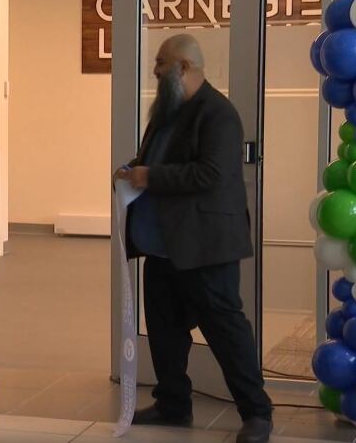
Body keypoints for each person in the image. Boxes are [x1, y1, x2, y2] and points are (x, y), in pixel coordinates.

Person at [114, 34, 273, 443]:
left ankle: (257, 413)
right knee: (166, 331)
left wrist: (151, 176)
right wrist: (134, 169)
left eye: (160, 63)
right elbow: (156, 161)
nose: (154, 70)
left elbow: (211, 174)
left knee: (225, 330)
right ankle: (173, 403)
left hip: (205, 246)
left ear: (184, 67)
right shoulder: (166, 112)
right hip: (163, 248)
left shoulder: (218, 114)